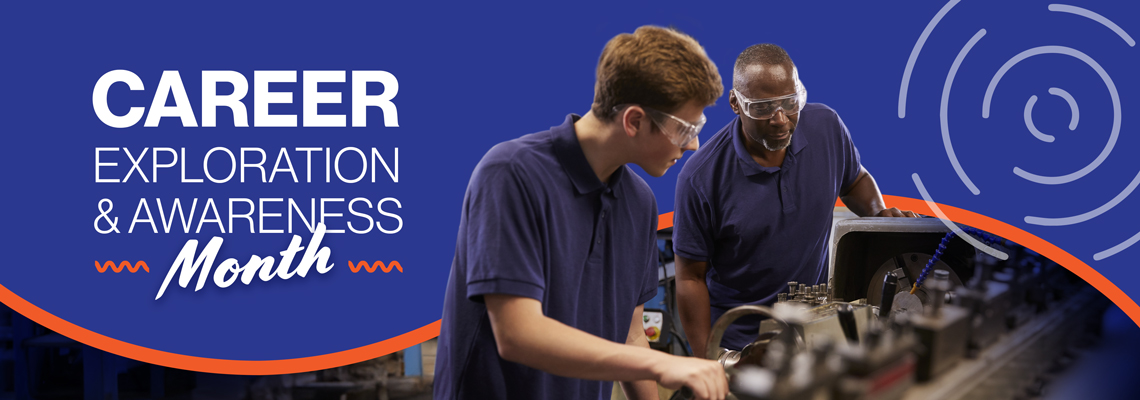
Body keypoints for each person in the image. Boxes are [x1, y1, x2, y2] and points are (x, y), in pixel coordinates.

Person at [434, 26, 729, 400]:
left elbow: (632, 332)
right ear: (634, 121)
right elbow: (517, 334)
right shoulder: (511, 173)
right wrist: (661, 364)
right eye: (684, 128)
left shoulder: (640, 203)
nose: (693, 144)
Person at [672, 43, 917, 359]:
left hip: (815, 328)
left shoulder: (825, 127)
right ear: (735, 103)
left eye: (790, 102)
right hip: (742, 344)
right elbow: (690, 278)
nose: (780, 120)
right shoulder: (701, 178)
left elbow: (854, 179)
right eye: (762, 107)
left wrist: (877, 214)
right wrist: (710, 360)